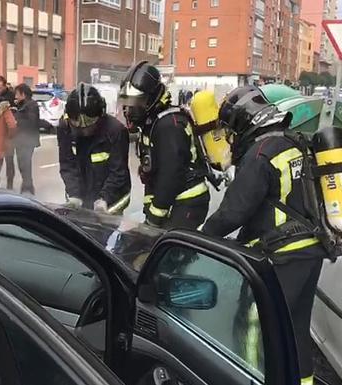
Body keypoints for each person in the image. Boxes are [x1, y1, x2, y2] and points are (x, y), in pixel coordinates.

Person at [201, 86, 326, 385]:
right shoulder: (295, 142)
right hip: (311, 251)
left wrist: (202, 236)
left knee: (252, 326)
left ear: (245, 123)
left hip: (280, 256)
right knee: (295, 327)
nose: (230, 140)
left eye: (231, 132)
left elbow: (234, 211)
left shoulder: (260, 153)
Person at [119, 61, 210, 229]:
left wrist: (155, 215)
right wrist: (150, 209)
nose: (130, 109)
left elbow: (170, 175)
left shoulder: (169, 125)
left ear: (152, 98)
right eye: (128, 103)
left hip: (186, 202)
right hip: (172, 201)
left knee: (169, 251)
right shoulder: (153, 123)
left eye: (137, 102)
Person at [58, 83, 131, 214]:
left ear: (100, 115)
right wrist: (74, 195)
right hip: (81, 198)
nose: (84, 129)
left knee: (104, 231)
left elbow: (118, 172)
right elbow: (67, 164)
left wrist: (104, 199)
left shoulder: (116, 131)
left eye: (89, 124)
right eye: (78, 125)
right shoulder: (65, 128)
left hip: (112, 199)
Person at [6, 83, 40, 194]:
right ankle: (27, 186)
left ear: (23, 94)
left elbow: (31, 122)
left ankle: (28, 187)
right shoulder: (23, 105)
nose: (15, 96)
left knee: (25, 164)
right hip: (21, 140)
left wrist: (17, 121)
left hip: (27, 141)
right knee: (22, 164)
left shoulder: (31, 105)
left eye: (17, 93)